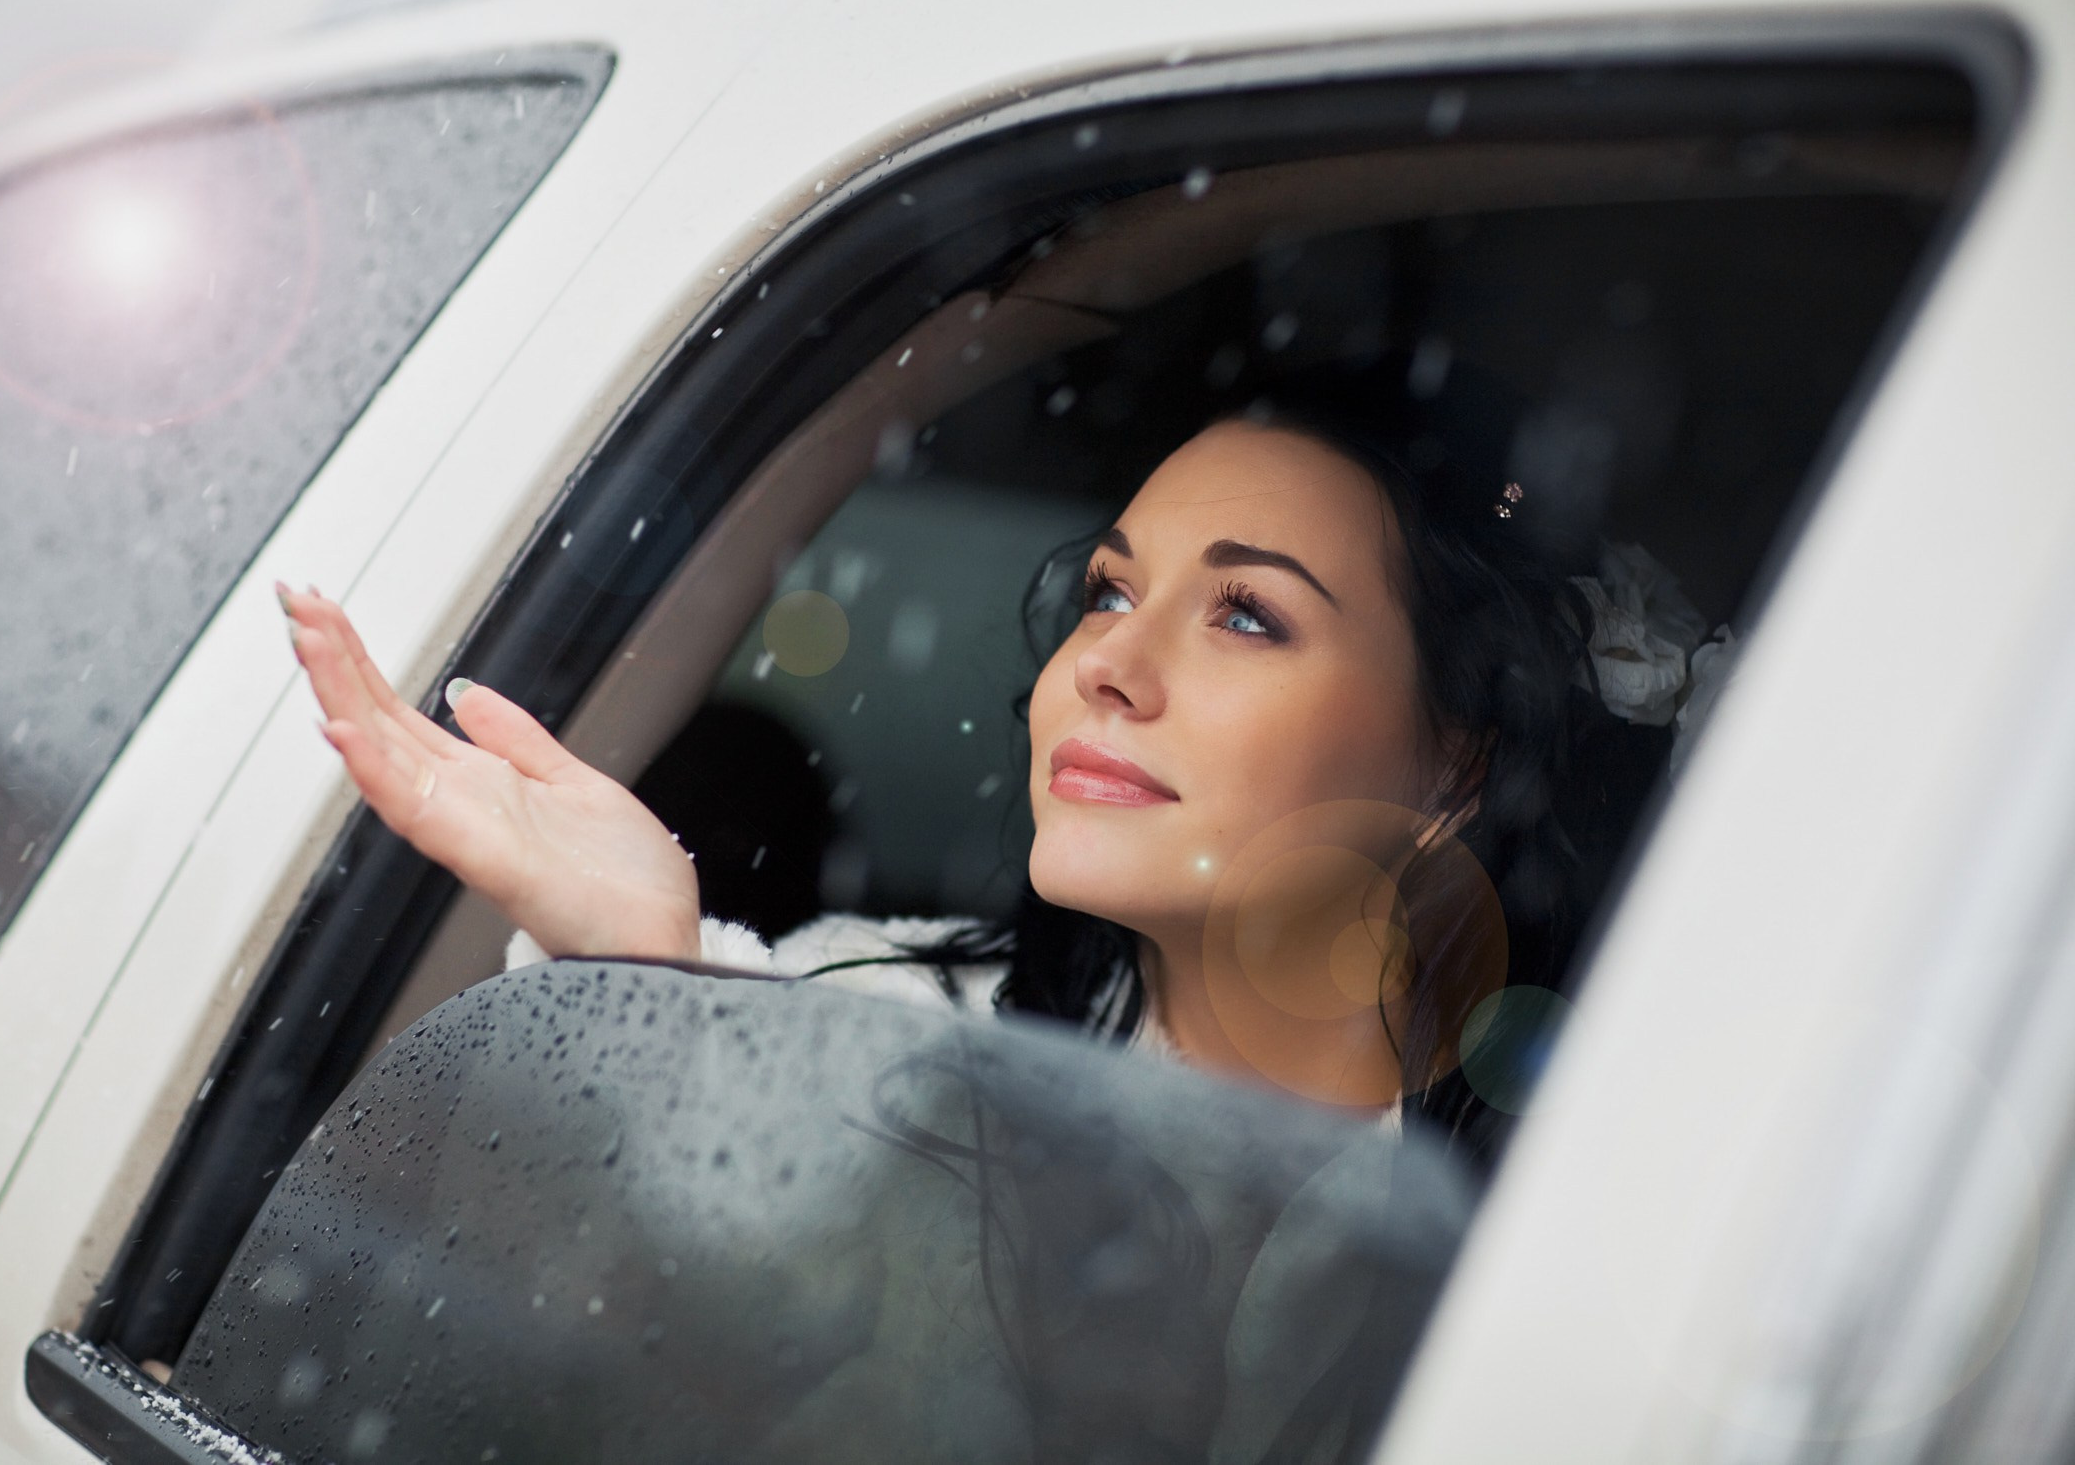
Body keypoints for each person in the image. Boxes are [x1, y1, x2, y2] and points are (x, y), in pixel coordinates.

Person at [284, 361, 1656, 1160]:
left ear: (1454, 771)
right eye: (1110, 592)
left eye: (1246, 615)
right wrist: (645, 963)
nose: (1107, 663)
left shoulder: (1574, 1199)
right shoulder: (867, 1028)